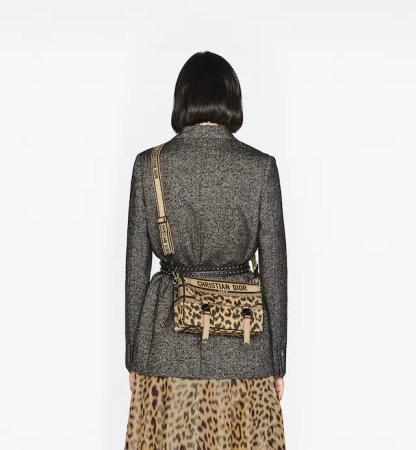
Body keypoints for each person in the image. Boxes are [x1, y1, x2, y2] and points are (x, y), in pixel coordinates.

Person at [124, 51, 288, 449]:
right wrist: (277, 361)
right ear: (232, 98)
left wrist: (133, 355)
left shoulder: (148, 166)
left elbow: (134, 269)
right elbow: (276, 273)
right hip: (244, 346)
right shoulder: (261, 168)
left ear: (182, 100)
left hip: (164, 343)